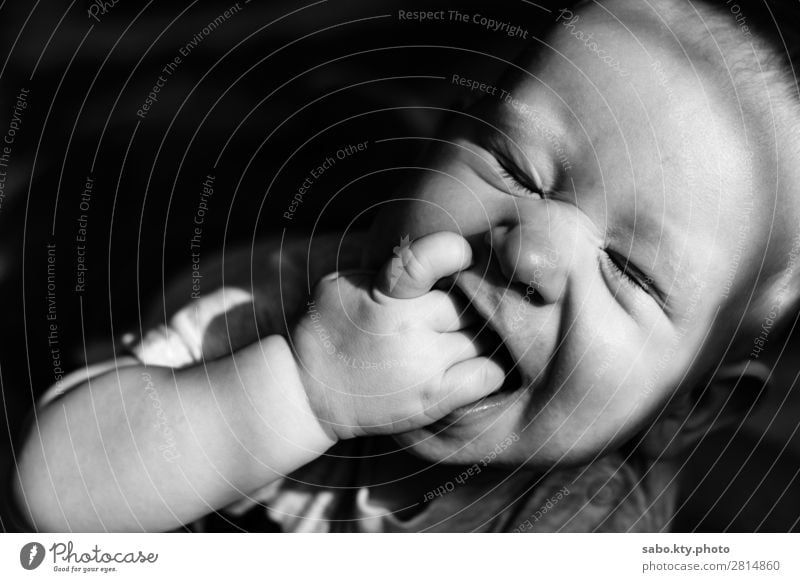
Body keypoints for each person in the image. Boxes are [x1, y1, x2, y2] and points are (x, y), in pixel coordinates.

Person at [13, 0, 799, 532]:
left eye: (631, 270)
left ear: (689, 408)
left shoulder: (589, 525)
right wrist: (302, 393)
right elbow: (53, 498)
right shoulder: (268, 305)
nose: (528, 248)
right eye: (513, 165)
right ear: (437, 147)